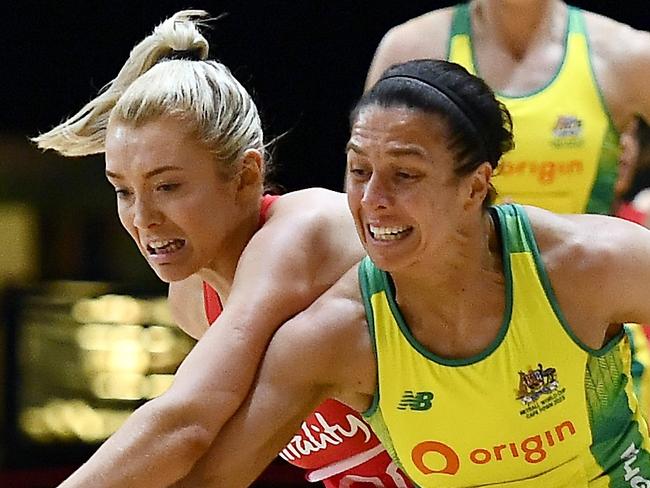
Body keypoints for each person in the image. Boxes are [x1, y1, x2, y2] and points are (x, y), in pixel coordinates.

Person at [172, 59, 650, 487]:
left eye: (405, 174)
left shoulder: (587, 264)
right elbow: (204, 472)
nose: (373, 199)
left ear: (475, 187)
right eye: (360, 170)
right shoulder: (335, 333)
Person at [33, 10, 412, 488]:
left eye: (167, 186)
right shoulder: (191, 302)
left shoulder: (306, 230)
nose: (142, 217)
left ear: (246, 176)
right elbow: (203, 459)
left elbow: (183, 424)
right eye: (124, 191)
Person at [365, 0, 650, 214]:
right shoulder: (409, 49)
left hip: (582, 289)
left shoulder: (628, 56)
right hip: (447, 290)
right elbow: (364, 198)